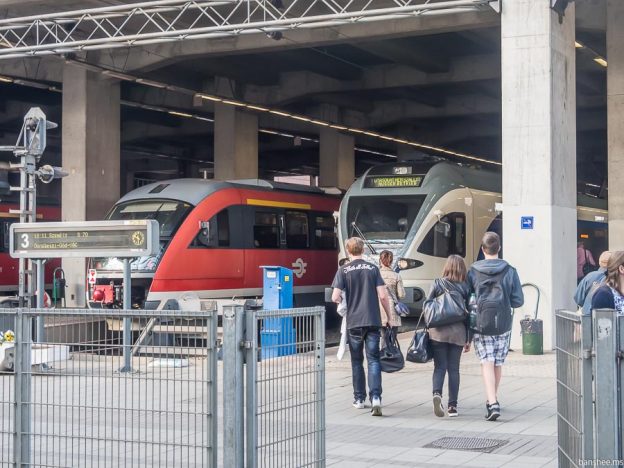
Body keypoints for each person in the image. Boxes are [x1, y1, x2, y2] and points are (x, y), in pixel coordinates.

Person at [331, 237, 393, 416]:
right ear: (363, 250)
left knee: (357, 361)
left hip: (354, 322)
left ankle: (359, 399)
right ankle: (376, 398)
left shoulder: (343, 270)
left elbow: (335, 297)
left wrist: (343, 300)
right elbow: (383, 296)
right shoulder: (373, 269)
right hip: (372, 320)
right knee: (373, 360)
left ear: (348, 251)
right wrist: (389, 317)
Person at [467, 232, 524, 421]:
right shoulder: (510, 270)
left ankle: (492, 402)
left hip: (481, 323)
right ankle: (492, 400)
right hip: (503, 323)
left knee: (487, 362)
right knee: (498, 362)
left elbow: (468, 298)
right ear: (499, 248)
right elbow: (518, 301)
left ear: (483, 249)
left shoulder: (473, 271)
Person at [427, 255, 470, 418]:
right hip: (458, 333)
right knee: (454, 369)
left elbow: (427, 305)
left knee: (439, 367)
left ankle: (437, 394)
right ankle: (453, 406)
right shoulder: (465, 287)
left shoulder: (437, 283)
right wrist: (469, 338)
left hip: (438, 332)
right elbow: (470, 314)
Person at [378, 250, 405, 337]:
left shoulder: (376, 275)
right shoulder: (396, 276)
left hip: (379, 310)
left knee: (383, 337)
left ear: (380, 260)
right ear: (391, 261)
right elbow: (401, 295)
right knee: (392, 339)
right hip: (393, 310)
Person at [574, 251, 611, 315]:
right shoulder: (616, 279)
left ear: (600, 262)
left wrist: (587, 305)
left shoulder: (590, 276)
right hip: (607, 317)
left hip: (587, 316)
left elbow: (578, 298)